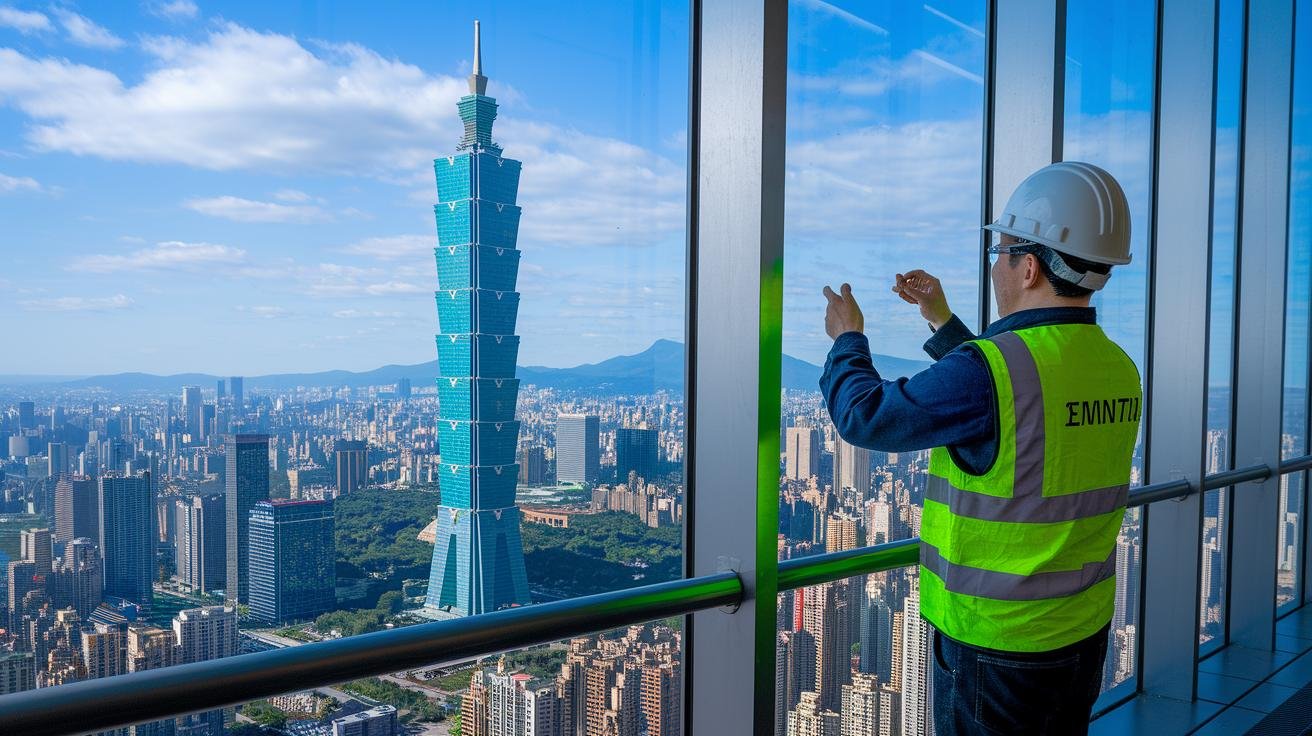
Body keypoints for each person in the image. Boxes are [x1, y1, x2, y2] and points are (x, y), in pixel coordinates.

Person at [820, 161, 1142, 735]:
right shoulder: (1117, 367)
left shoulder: (992, 372)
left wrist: (848, 338)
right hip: (1080, 630)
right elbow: (1016, 406)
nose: (995, 267)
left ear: (1031, 266)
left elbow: (865, 417)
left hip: (997, 642)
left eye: (1000, 253)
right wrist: (941, 320)